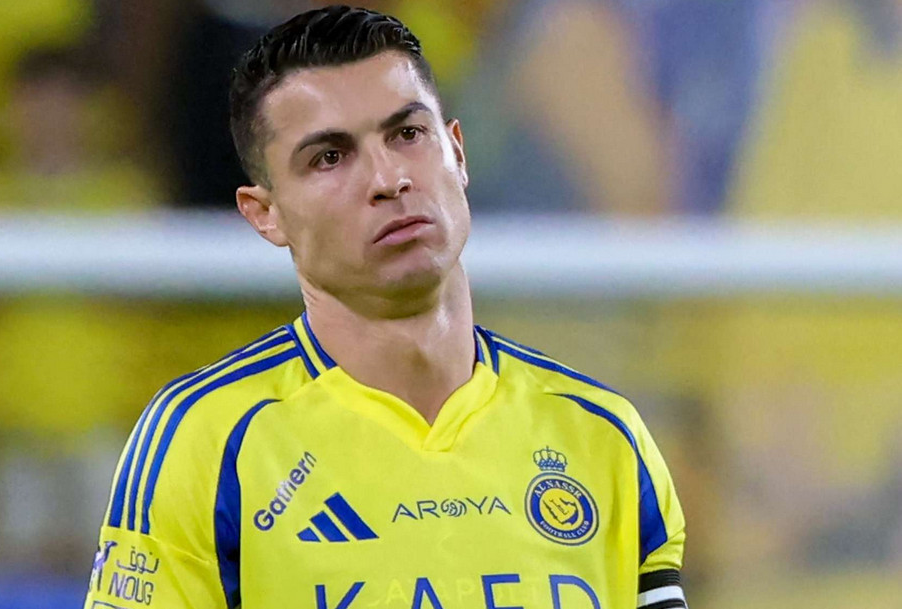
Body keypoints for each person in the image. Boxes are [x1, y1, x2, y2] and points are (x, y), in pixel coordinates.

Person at [84, 6, 687, 609]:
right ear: (265, 214)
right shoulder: (208, 441)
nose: (387, 178)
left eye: (407, 134)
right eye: (329, 157)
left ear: (458, 153)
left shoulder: (600, 434)